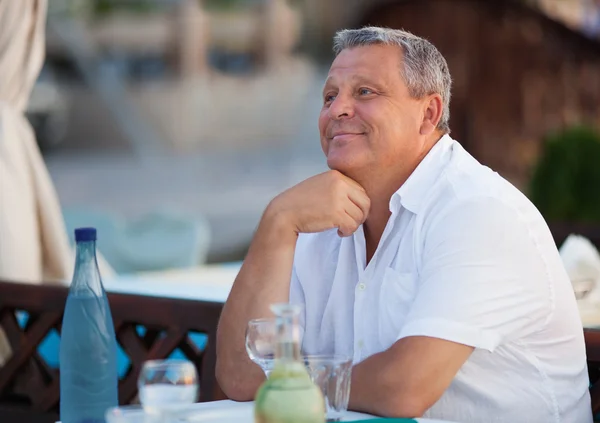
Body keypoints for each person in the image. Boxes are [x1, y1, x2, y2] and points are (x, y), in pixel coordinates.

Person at [216, 26, 592, 422]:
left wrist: (290, 386)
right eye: (330, 96)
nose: (337, 109)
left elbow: (404, 386)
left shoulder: (478, 211)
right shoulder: (314, 214)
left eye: (365, 92)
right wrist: (277, 222)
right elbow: (242, 377)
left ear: (427, 114)